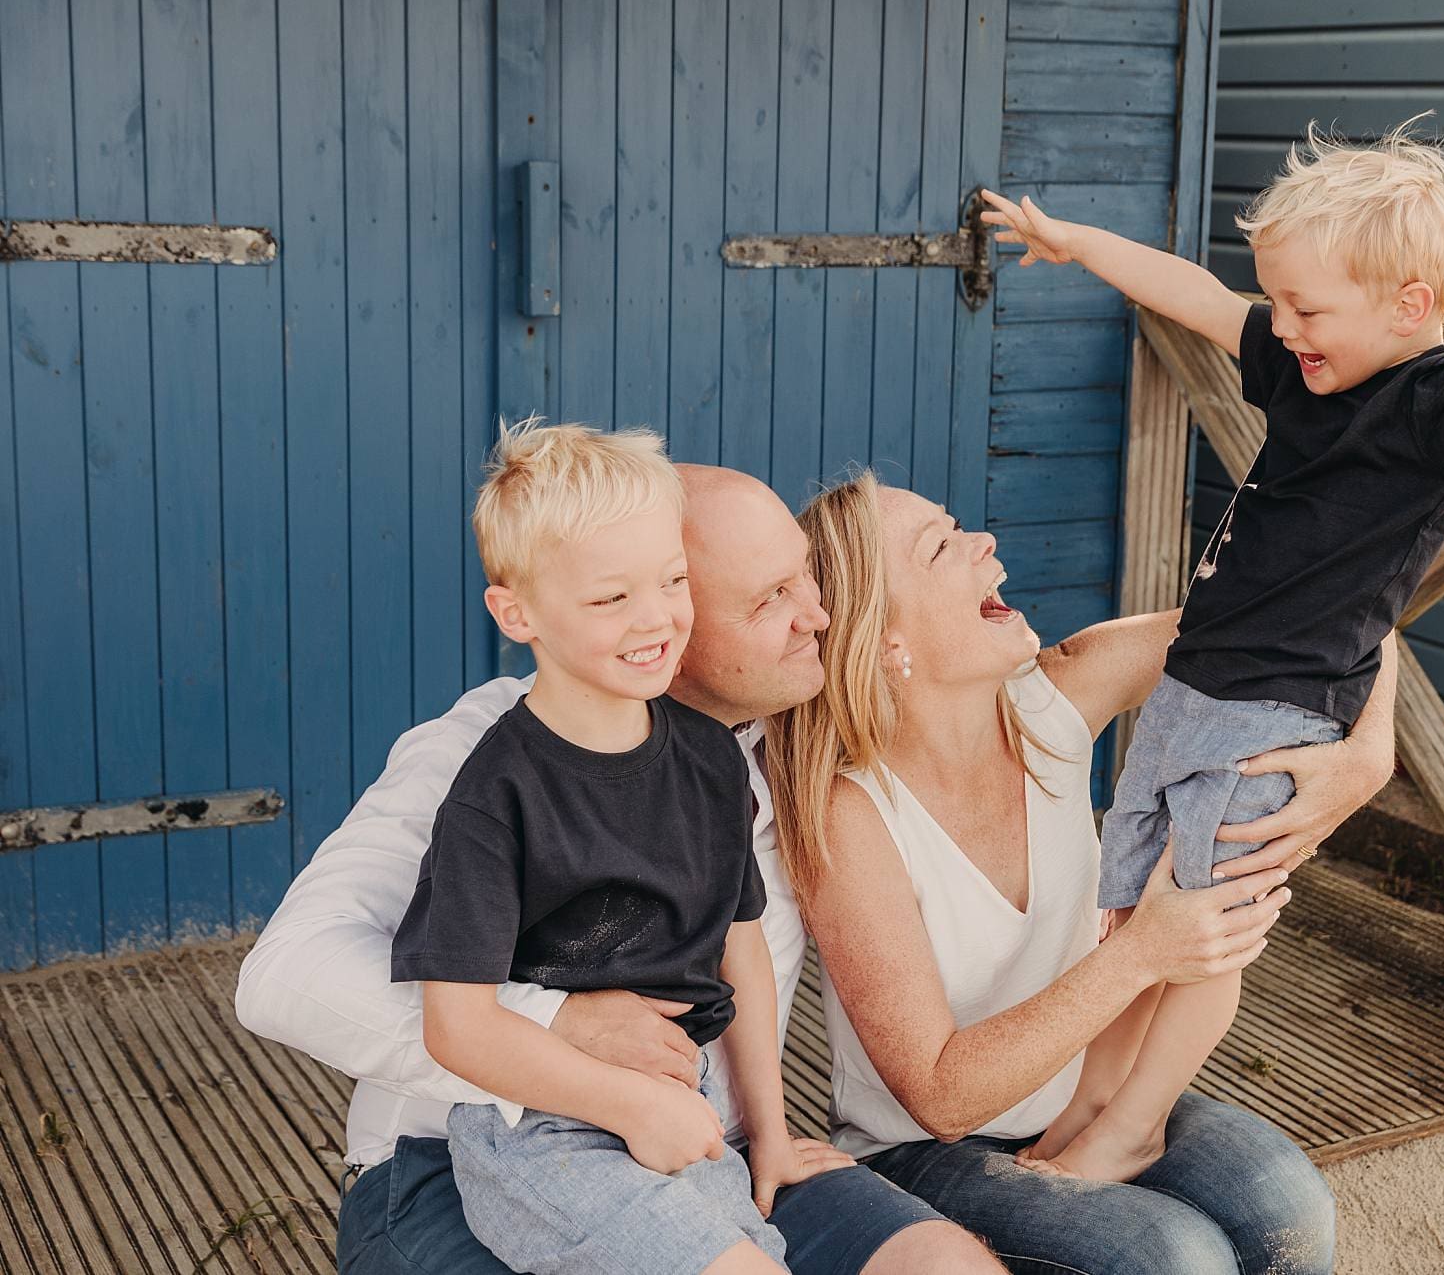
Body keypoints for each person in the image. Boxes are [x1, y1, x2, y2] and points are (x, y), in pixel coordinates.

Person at [977, 129, 1444, 1183]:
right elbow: (1195, 295)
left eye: (1307, 309)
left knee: (1210, 925)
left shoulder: (1435, 400)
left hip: (1279, 714)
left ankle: (1135, 1121)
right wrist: (1075, 239)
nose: (1284, 328)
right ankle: (1090, 1098)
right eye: (1281, 304)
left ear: (1409, 303)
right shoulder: (1305, 362)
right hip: (1193, 682)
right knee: (1134, 918)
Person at [237, 463, 1008, 1275]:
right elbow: (285, 975)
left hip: (718, 1148)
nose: (817, 616)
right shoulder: (488, 760)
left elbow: (988, 664)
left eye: (806, 577)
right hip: (461, 1156)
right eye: (767, 599)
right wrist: (558, 1025)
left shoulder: (773, 745)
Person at [761, 469, 1400, 1275]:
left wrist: (1369, 754)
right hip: (925, 1150)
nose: (983, 541)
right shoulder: (848, 815)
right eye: (942, 548)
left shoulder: (1057, 699)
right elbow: (938, 1095)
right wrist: (1142, 954)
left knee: (1287, 1206)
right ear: (891, 643)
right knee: (1173, 1260)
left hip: (1086, 1097)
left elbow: (1326, 600)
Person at [389, 423, 804, 1272]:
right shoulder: (495, 793)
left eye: (674, 581)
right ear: (518, 613)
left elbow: (743, 952)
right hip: (541, 1126)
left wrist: (772, 1132)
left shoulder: (710, 758)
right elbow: (458, 1028)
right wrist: (628, 1104)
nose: (655, 617)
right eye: (611, 599)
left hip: (684, 1104)